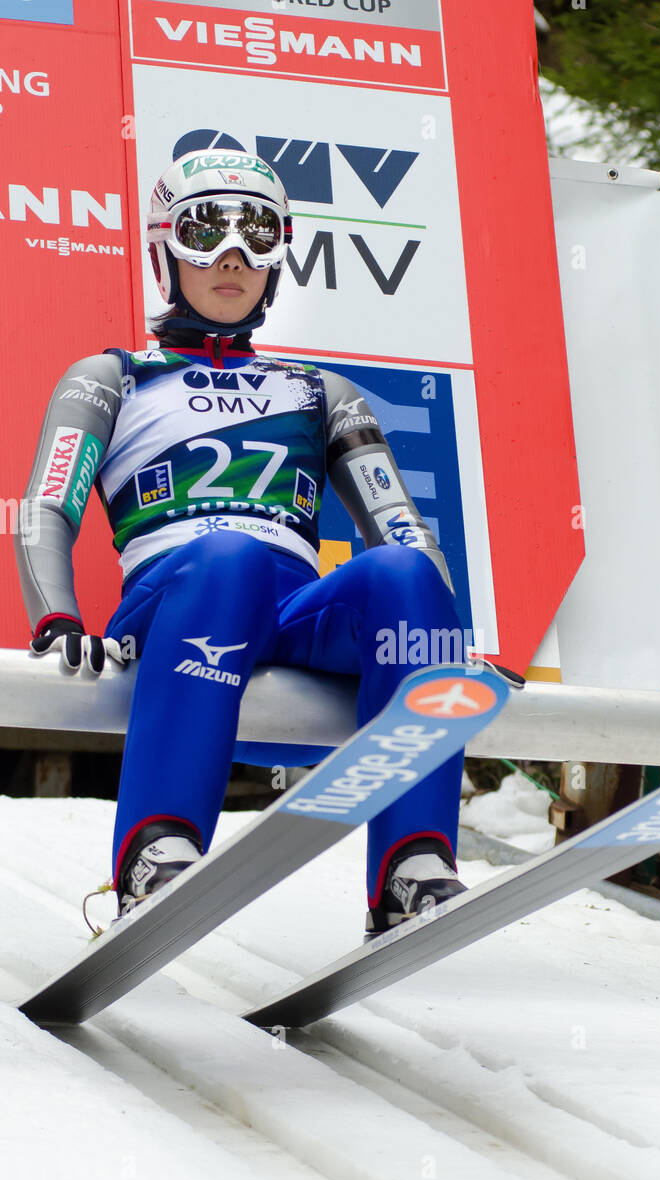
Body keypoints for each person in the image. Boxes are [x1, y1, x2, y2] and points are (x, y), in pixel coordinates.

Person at [15, 149, 474, 936]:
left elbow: (399, 523)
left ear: (280, 255)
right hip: (176, 597)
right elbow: (44, 508)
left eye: (257, 234)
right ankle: (157, 849)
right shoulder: (112, 375)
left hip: (291, 610)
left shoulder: (321, 390)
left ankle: (412, 864)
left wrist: (448, 635)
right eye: (206, 231)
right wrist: (56, 615)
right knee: (227, 555)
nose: (234, 257)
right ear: (166, 246)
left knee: (400, 572)